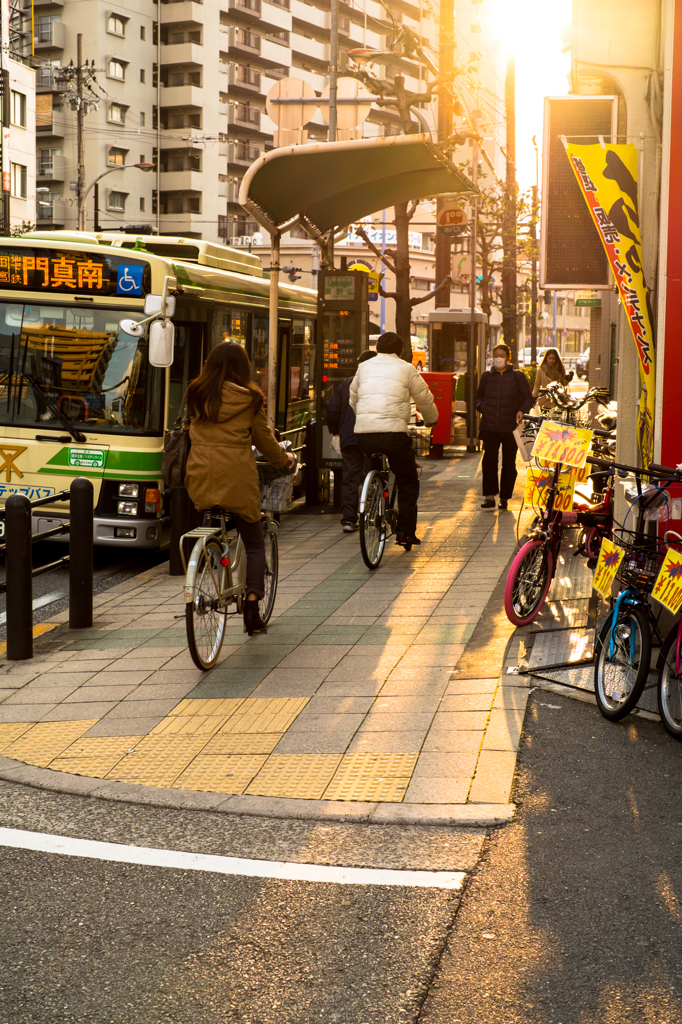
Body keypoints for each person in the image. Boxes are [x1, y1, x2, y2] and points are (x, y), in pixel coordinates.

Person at [184, 342, 294, 635]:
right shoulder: (250, 400)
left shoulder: (195, 394)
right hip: (236, 478)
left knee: (210, 522)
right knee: (255, 542)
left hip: (199, 475)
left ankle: (206, 568)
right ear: (243, 368)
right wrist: (286, 460)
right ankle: (252, 608)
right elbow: (266, 442)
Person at [349, 331, 438, 548]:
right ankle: (405, 532)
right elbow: (424, 398)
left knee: (374, 464)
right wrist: (431, 420)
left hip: (364, 435)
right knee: (408, 480)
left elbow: (354, 399)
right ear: (400, 351)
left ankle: (374, 493)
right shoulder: (406, 368)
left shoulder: (364, 367)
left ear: (377, 349)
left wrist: (364, 420)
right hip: (394, 435)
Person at [477, 342, 534, 511]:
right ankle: (489, 497)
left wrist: (522, 410)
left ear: (508, 359)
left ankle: (504, 498)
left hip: (510, 426)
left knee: (509, 464)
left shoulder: (518, 376)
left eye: (502, 356)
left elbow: (527, 397)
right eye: (496, 356)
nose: (498, 359)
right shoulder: (487, 376)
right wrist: (482, 407)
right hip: (489, 426)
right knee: (489, 462)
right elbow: (478, 397)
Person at [325, 350, 377, 533]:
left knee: (350, 478)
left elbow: (331, 409)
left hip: (349, 437)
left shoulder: (346, 384)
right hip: (373, 436)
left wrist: (336, 432)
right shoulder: (380, 384)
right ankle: (375, 512)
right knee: (376, 472)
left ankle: (349, 519)